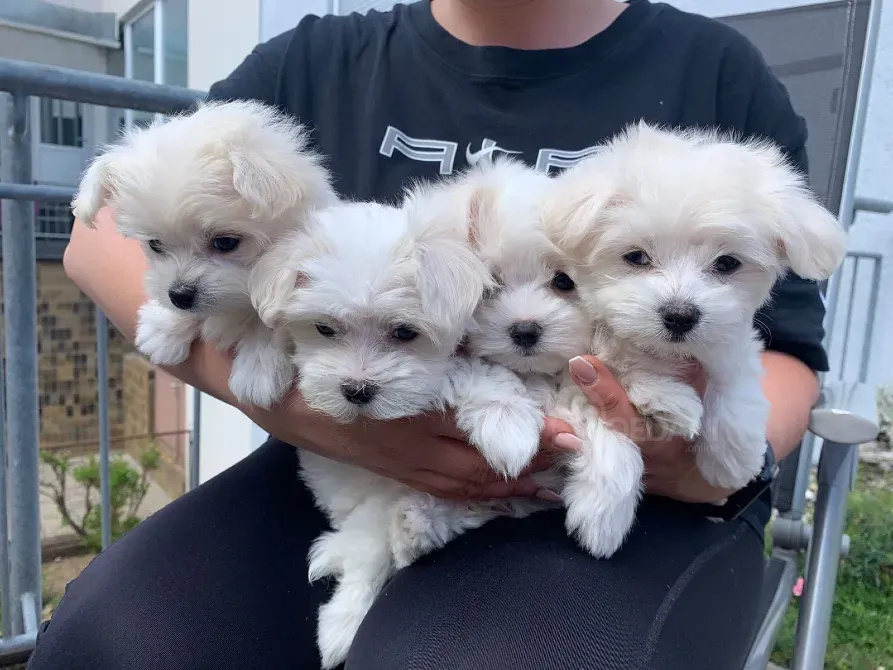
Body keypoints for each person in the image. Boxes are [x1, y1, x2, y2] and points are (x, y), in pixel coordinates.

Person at [30, 1, 828, 668]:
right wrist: (284, 403)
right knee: (117, 639)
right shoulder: (317, 59)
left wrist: (706, 459)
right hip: (336, 445)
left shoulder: (715, 69)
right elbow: (103, 231)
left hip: (653, 490)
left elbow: (789, 346)